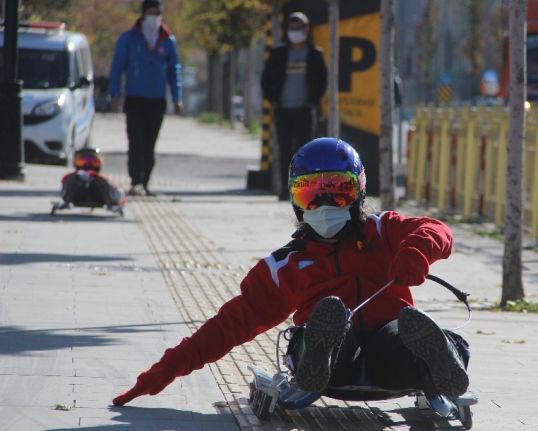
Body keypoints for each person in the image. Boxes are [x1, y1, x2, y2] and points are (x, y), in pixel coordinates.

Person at [112, 137, 470, 407]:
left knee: (406, 337)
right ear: (296, 203)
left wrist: (415, 251)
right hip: (330, 371)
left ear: (359, 194)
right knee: (326, 327)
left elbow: (435, 230)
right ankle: (318, 352)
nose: (325, 205)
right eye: (310, 195)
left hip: (388, 359)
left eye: (339, 193)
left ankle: (439, 359)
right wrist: (160, 374)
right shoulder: (287, 265)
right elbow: (229, 325)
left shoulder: (383, 231)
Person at [109, 0, 183, 197]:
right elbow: (118, 67)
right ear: (143, 14)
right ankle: (135, 181)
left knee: (150, 143)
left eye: (157, 12)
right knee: (135, 141)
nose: (154, 16)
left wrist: (177, 97)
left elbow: (174, 70)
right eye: (150, 12)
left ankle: (146, 181)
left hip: (156, 99)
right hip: (135, 98)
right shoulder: (129, 38)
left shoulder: (167, 40)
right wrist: (114, 93)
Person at [261, 11, 327, 200]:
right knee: (284, 149)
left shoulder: (315, 55)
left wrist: (313, 101)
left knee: (305, 151)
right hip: (283, 109)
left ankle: (303, 189)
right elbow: (266, 79)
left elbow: (322, 81)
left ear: (307, 30)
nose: (295, 32)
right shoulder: (278, 54)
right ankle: (285, 188)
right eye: (291, 28)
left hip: (305, 110)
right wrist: (273, 99)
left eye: (299, 28)